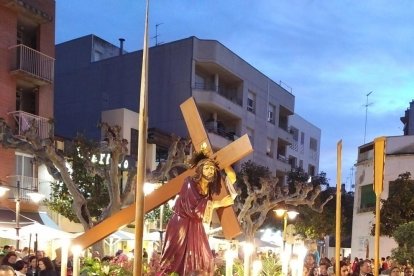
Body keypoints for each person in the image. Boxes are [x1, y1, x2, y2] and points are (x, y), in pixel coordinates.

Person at [158, 153, 237, 275]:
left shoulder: (211, 188)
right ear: (200, 169)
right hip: (181, 223)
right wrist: (219, 203)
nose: (210, 171)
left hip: (196, 225)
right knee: (175, 256)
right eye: (206, 168)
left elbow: (232, 178)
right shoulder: (189, 182)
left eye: (212, 169)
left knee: (205, 258)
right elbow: (193, 208)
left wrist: (225, 162)